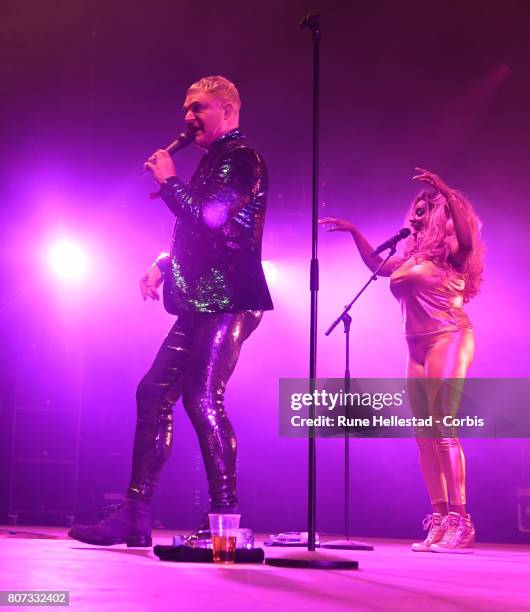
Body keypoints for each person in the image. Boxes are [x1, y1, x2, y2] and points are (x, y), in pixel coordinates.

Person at [69, 75, 273, 547]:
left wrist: (168, 183)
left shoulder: (242, 159)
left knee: (202, 399)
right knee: (152, 392)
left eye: (198, 108)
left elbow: (210, 217)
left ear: (227, 110)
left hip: (231, 299)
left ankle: (227, 519)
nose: (187, 118)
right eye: (186, 109)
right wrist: (165, 262)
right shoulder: (213, 162)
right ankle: (136, 515)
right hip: (203, 298)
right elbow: (201, 231)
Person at [320, 168, 484, 553]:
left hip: (449, 336)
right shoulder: (410, 259)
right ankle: (440, 518)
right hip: (415, 346)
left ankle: (462, 521)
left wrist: (447, 191)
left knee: (442, 426)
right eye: (416, 207)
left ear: (441, 215)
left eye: (427, 207)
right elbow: (377, 268)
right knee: (423, 435)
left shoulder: (453, 256)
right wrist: (356, 232)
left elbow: (466, 238)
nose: (417, 212)